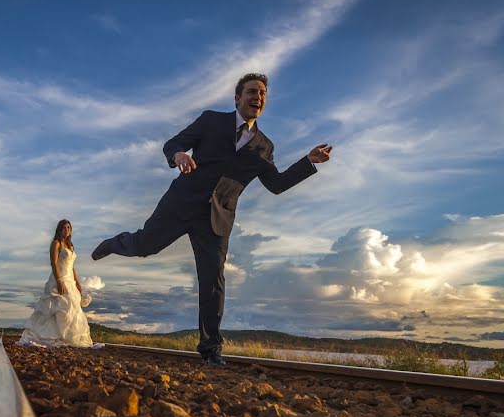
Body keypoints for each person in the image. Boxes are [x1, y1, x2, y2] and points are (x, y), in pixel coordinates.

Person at [92, 73, 331, 365]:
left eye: (263, 94)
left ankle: (210, 349)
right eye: (252, 92)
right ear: (237, 98)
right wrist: (179, 154)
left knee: (212, 283)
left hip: (217, 218)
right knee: (144, 246)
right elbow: (174, 143)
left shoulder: (265, 146)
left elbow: (276, 184)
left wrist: (307, 162)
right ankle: (114, 243)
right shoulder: (211, 121)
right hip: (181, 203)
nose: (258, 97)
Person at [18, 219, 97, 348]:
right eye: (64, 228)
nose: (67, 230)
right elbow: (53, 264)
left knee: (72, 307)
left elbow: (72, 267)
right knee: (56, 308)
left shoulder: (70, 246)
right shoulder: (56, 243)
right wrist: (59, 282)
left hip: (70, 279)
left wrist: (77, 282)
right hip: (58, 279)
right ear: (59, 229)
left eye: (69, 228)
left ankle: (68, 338)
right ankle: (49, 337)